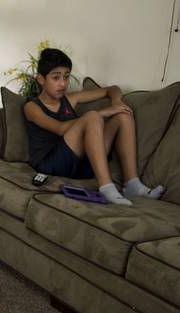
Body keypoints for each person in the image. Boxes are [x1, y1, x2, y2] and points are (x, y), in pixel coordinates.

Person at [24, 48, 164, 205]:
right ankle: (107, 188)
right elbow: (60, 128)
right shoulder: (32, 107)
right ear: (41, 79)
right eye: (56, 78)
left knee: (123, 115)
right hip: (51, 165)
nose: (63, 83)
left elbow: (112, 89)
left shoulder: (70, 99)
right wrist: (103, 112)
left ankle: (132, 184)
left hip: (81, 165)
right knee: (92, 116)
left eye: (66, 76)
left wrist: (117, 102)